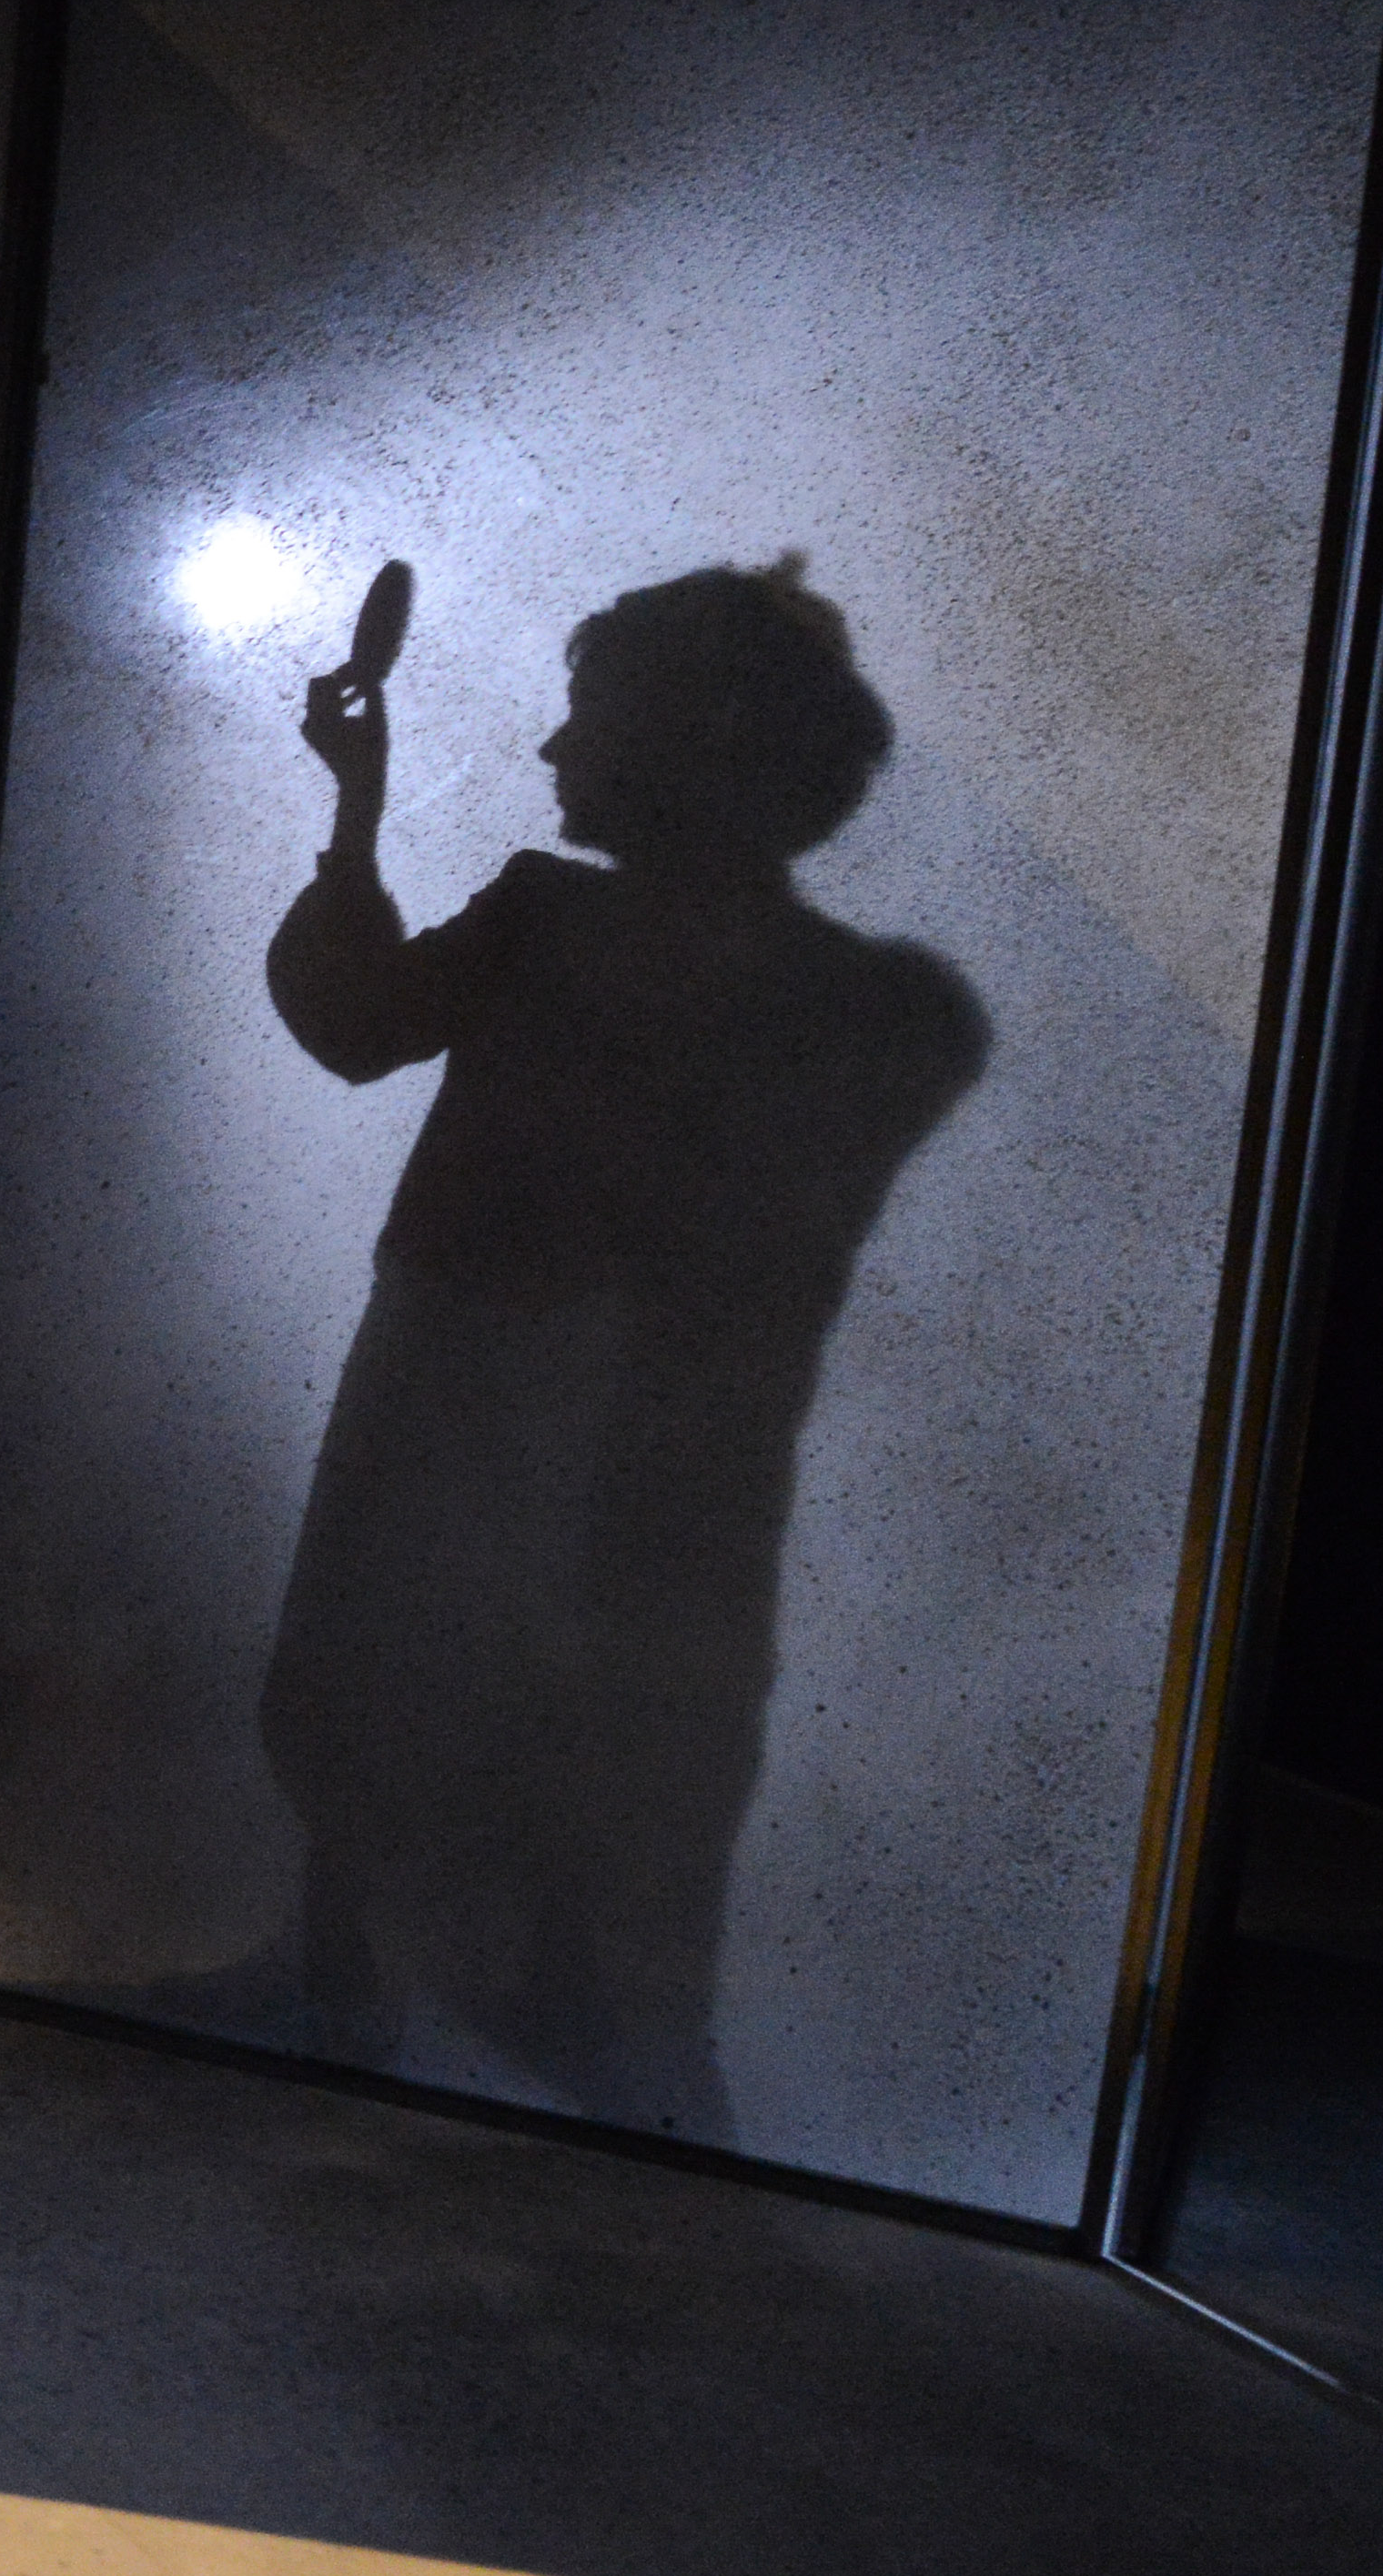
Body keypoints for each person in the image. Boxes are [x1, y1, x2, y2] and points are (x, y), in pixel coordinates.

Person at [258, 555, 984, 2142]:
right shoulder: (889, 1009)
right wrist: (359, 806)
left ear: (684, 739)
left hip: (507, 1413)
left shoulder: (570, 929)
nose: (552, 746)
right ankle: (462, 2052)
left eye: (587, 712)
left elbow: (352, 1021)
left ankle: (375, 2037)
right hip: (645, 1460)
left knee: (391, 1716)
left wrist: (358, 813)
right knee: (521, 1776)